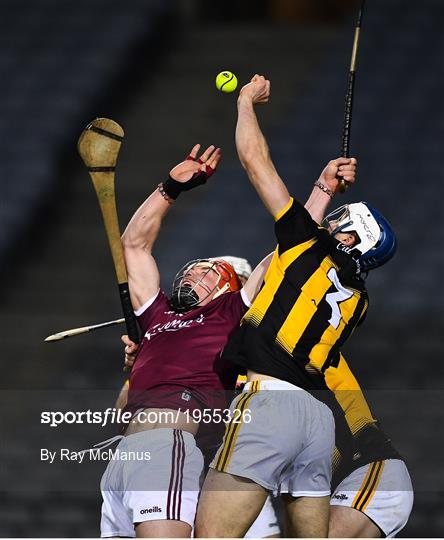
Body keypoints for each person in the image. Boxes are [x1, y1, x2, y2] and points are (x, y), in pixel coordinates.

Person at [194, 75, 405, 538]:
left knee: (211, 536)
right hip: (315, 422)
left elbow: (254, 160)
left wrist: (246, 103)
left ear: (351, 237)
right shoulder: (359, 299)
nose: (331, 223)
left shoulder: (307, 247)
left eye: (341, 224)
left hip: (269, 404)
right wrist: (324, 187)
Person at [100, 144, 273, 539]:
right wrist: (169, 188)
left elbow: (281, 258)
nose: (193, 274)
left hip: (172, 444)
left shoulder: (233, 313)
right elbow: (132, 245)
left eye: (208, 272)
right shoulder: (158, 316)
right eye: (192, 269)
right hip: (125, 456)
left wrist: (322, 195)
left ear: (229, 288)